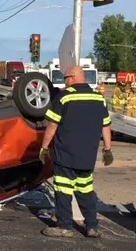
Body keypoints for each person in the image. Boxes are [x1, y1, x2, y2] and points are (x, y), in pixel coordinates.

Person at [39, 65, 114, 238]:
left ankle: (64, 226)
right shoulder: (98, 98)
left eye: (65, 78)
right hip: (87, 157)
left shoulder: (65, 97)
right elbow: (106, 125)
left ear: (72, 78)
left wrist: (44, 146)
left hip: (66, 155)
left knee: (63, 190)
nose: (64, 82)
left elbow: (52, 125)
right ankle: (92, 226)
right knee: (86, 191)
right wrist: (108, 149)